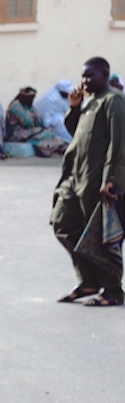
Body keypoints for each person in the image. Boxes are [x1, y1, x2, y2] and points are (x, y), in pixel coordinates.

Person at [51, 56, 125, 307]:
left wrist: (110, 179)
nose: (84, 81)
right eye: (82, 76)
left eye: (90, 75)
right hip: (76, 178)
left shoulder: (113, 100)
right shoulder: (90, 103)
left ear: (105, 75)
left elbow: (119, 143)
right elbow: (78, 136)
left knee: (100, 236)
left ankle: (113, 289)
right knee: (63, 223)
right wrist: (74, 107)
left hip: (98, 182)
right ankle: (89, 281)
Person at [6, 86, 66, 158]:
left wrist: (34, 119)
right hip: (16, 133)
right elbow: (27, 122)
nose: (32, 100)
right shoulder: (16, 106)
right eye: (30, 98)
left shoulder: (29, 106)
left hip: (29, 130)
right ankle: (55, 148)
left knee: (47, 133)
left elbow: (40, 121)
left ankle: (60, 146)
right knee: (40, 134)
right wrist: (34, 119)